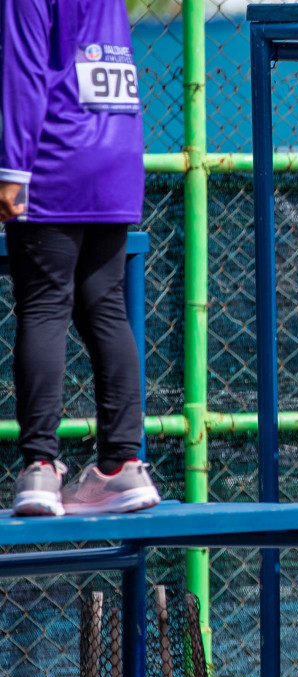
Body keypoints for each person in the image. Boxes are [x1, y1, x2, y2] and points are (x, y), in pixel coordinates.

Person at [2, 0, 161, 516]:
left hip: (55, 157)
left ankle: (40, 468)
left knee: (44, 305)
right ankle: (122, 465)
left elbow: (23, 67)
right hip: (117, 155)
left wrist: (13, 169)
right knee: (104, 305)